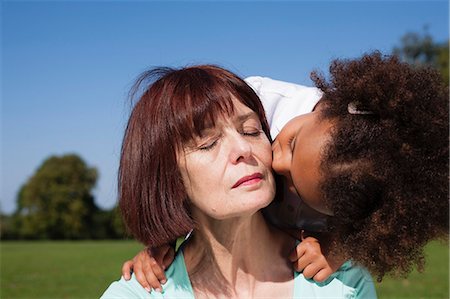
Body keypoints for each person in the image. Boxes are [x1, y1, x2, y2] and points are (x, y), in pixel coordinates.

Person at [120, 52, 449, 291]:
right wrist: (162, 240)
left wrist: (337, 247)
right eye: (289, 144)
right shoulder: (257, 102)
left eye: (294, 187)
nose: (275, 162)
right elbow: (177, 162)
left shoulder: (349, 274)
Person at [100, 64, 377, 298]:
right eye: (208, 143)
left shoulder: (345, 285)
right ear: (168, 178)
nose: (244, 149)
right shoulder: (134, 294)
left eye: (252, 131)